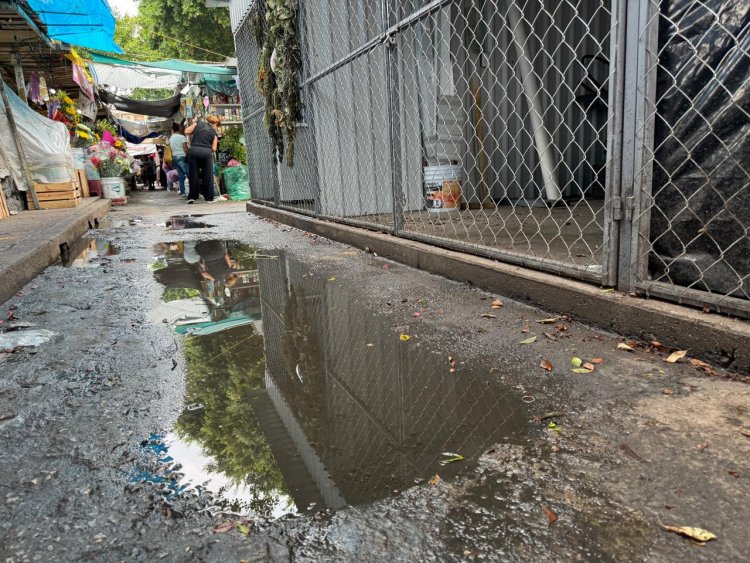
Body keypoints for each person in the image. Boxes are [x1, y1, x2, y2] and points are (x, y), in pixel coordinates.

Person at [184, 115, 220, 204]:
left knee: (193, 174)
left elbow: (186, 131)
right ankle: (209, 198)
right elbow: (214, 149)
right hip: (206, 153)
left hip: (194, 151)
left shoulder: (199, 124)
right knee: (207, 175)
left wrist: (195, 132)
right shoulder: (214, 133)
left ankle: (192, 197)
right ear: (215, 124)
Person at [169, 122, 189, 198]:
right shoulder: (181, 137)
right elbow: (185, 149)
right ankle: (194, 190)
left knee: (181, 176)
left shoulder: (171, 138)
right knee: (189, 173)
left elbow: (171, 149)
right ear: (179, 128)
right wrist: (188, 154)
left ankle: (183, 193)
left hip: (175, 157)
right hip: (182, 157)